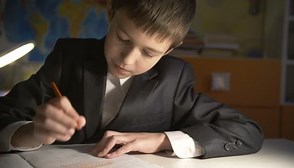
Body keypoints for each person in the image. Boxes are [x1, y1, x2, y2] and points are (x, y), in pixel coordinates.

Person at [0, 0, 263, 159]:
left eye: (149, 52)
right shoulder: (67, 57)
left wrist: (162, 140)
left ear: (171, 48)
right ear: (111, 11)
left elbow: (247, 131)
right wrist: (32, 131)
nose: (127, 59)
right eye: (123, 39)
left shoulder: (175, 78)